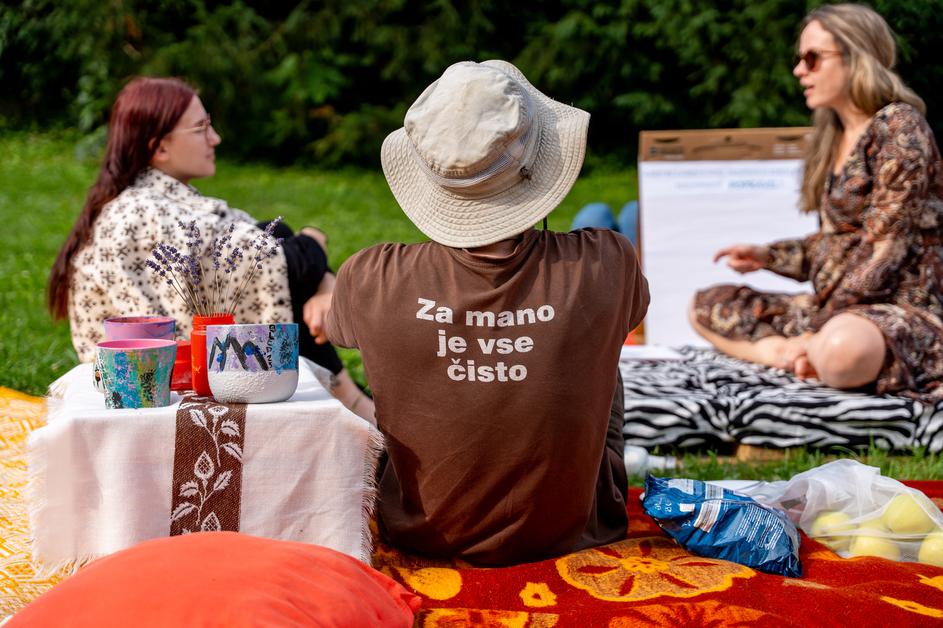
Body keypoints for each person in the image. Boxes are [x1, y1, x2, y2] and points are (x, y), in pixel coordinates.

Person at [325, 60, 650, 565]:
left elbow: (336, 331)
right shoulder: (606, 261)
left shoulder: (368, 276)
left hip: (422, 531)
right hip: (574, 529)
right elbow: (628, 316)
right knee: (598, 342)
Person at [47, 77, 374, 420]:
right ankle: (351, 399)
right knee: (281, 246)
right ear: (160, 148)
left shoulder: (160, 203)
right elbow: (284, 262)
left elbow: (271, 245)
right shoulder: (146, 213)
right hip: (155, 386)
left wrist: (323, 282)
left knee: (272, 233)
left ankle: (350, 398)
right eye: (201, 128)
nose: (215, 138)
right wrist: (315, 240)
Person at [690, 3, 943, 402]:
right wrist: (767, 256)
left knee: (843, 349)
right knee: (704, 305)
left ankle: (815, 353)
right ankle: (786, 355)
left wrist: (821, 325)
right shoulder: (834, 138)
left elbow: (885, 251)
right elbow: (833, 247)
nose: (799, 70)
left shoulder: (899, 127)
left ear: (856, 56)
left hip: (897, 310)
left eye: (812, 58)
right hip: (835, 309)